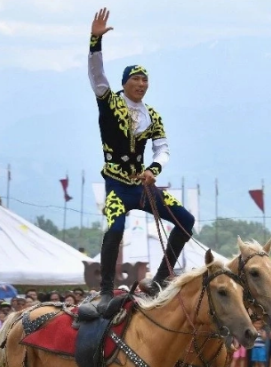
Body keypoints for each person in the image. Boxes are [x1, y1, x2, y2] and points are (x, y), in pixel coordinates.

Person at [88, 8, 195, 308]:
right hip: (117, 187)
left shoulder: (153, 115)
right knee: (116, 227)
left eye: (145, 80)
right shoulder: (109, 101)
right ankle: (107, 290)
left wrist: (154, 169)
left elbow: (163, 148)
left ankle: (160, 281)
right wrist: (95, 41)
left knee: (186, 221)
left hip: (142, 187)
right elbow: (96, 73)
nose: (141, 83)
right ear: (125, 83)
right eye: (136, 78)